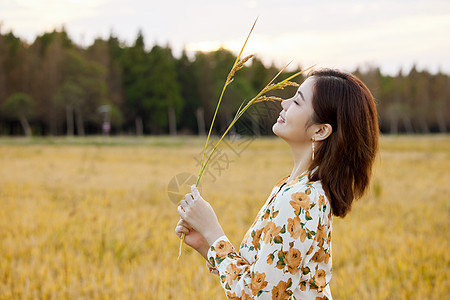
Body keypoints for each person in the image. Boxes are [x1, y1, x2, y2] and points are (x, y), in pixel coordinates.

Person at [175, 68, 379, 299]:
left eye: (298, 102)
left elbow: (261, 296)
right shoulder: (295, 188)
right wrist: (207, 244)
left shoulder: (300, 198)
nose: (284, 102)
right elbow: (262, 278)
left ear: (320, 130)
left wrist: (213, 232)